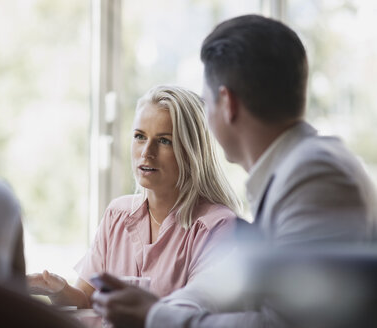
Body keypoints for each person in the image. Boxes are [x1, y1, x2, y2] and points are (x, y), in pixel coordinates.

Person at [91, 14, 377, 328]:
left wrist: (155, 316)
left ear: (227, 103)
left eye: (207, 100)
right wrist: (159, 307)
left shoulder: (316, 176)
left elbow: (288, 323)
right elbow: (223, 285)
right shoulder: (293, 171)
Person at [27, 85, 241, 308]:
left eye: (164, 140)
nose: (147, 152)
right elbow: (86, 300)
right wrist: (58, 290)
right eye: (140, 136)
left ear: (191, 151)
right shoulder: (117, 214)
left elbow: (194, 319)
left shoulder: (216, 226)